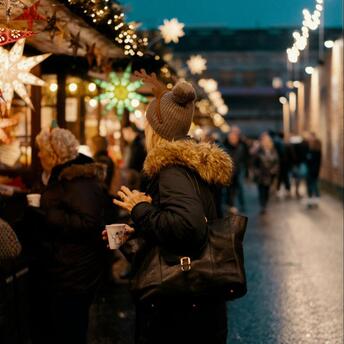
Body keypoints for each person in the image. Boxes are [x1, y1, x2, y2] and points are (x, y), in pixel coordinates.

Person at [108, 75, 233, 344]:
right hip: (198, 303)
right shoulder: (192, 166)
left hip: (179, 307)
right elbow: (185, 216)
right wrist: (139, 227)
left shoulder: (172, 170)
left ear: (156, 130)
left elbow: (189, 227)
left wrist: (139, 208)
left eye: (147, 125)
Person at [21, 128, 109, 344]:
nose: (39, 155)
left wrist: (47, 212)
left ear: (54, 153)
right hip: (60, 268)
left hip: (74, 273)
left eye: (42, 151)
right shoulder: (59, 176)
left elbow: (89, 223)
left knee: (69, 331)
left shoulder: (79, 180)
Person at [223, 128, 248, 213]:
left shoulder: (242, 146)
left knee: (240, 188)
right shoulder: (224, 146)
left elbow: (245, 159)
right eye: (231, 137)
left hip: (239, 170)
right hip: (229, 171)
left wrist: (247, 171)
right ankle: (230, 205)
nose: (233, 139)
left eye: (235, 137)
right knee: (229, 189)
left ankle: (242, 205)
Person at [253, 132, 279, 214]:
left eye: (267, 141)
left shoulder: (273, 150)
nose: (265, 142)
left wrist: (274, 170)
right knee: (261, 191)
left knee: (267, 191)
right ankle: (262, 206)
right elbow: (254, 163)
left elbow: (277, 162)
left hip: (269, 175)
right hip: (261, 175)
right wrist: (256, 172)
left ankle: (265, 204)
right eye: (264, 141)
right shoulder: (258, 151)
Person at [305, 133, 322, 207]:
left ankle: (312, 203)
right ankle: (313, 202)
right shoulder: (311, 148)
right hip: (312, 170)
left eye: (310, 137)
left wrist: (308, 158)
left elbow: (312, 161)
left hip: (312, 171)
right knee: (313, 187)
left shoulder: (315, 150)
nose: (309, 138)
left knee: (312, 187)